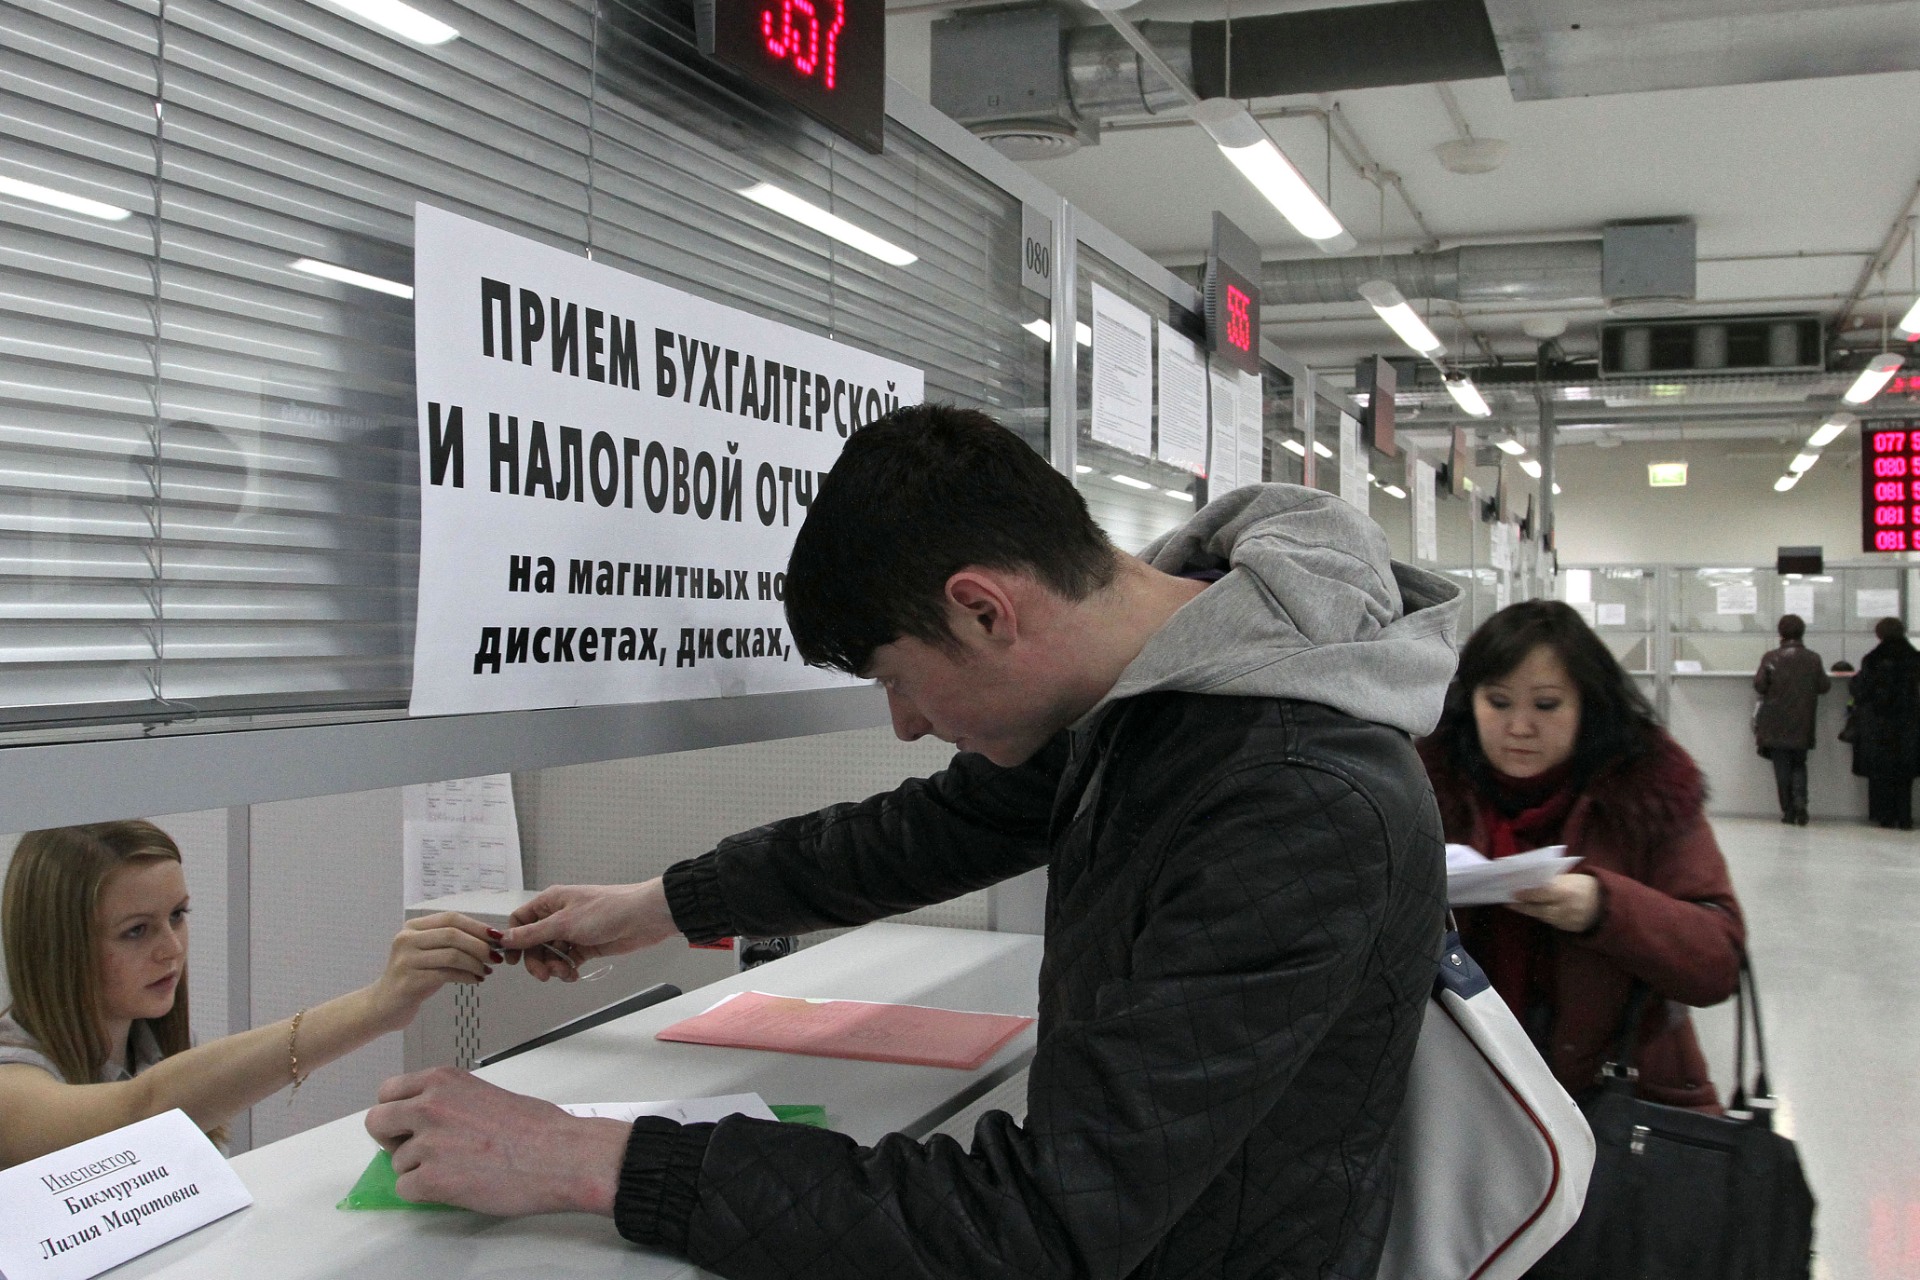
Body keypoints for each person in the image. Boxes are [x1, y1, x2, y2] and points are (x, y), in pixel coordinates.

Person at [363, 405, 1464, 1279]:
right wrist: (659, 904)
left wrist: (591, 1157)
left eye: (897, 677)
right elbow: (921, 833)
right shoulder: (1171, 692)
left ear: (984, 608)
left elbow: (1042, 1223)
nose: (903, 723)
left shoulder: (1292, 798)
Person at [0, 820, 498, 1167]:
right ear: (57, 946)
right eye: (136, 931)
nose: (172, 949)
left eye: (177, 915)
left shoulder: (152, 1049)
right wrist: (376, 1007)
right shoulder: (12, 1081)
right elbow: (140, 1111)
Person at [1417, 600, 1745, 1112]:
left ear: (1586, 704)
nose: (1519, 726)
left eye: (1546, 705)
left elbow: (1718, 960)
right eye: (1497, 702)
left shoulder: (1646, 788)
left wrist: (1604, 907)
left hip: (1622, 1099)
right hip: (1465, 1097)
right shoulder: (1425, 788)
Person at [1753, 612, 1830, 825]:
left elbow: (1760, 685)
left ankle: (1788, 810)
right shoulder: (1813, 658)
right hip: (1803, 721)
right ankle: (1801, 802)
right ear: (1802, 632)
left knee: (1782, 767)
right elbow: (1824, 686)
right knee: (1799, 763)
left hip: (1775, 722)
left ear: (1781, 633)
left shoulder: (1771, 657)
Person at [1849, 616, 1920, 830]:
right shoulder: (1914, 657)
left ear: (1879, 634)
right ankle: (1905, 817)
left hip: (1880, 723)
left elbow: (1862, 691)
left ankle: (1886, 816)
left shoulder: (1873, 659)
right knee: (1905, 773)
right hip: (1909, 722)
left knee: (1883, 772)